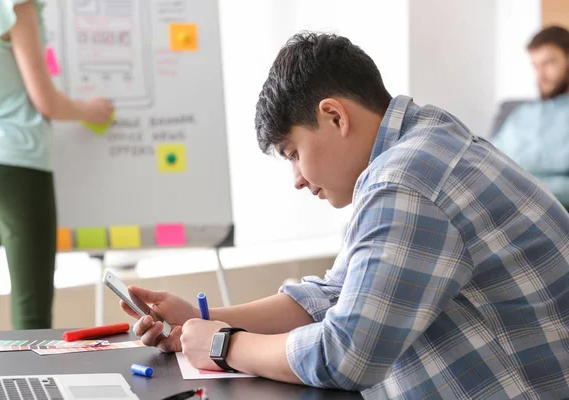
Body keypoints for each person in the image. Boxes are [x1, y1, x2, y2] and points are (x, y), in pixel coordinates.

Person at [121, 32, 569, 399]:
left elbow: (347, 355)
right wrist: (202, 319)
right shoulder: (424, 138)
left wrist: (222, 344)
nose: (296, 178)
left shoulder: (404, 181)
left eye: (294, 153)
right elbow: (337, 293)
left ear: (334, 116)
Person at [0, 0, 114, 331]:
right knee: (31, 309)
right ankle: (31, 384)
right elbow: (45, 101)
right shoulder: (12, 7)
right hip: (16, 165)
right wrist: (87, 110)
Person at [492, 26, 569, 209]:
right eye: (535, 65)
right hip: (503, 198)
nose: (540, 75)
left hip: (548, 205)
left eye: (549, 63)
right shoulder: (521, 114)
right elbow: (489, 158)